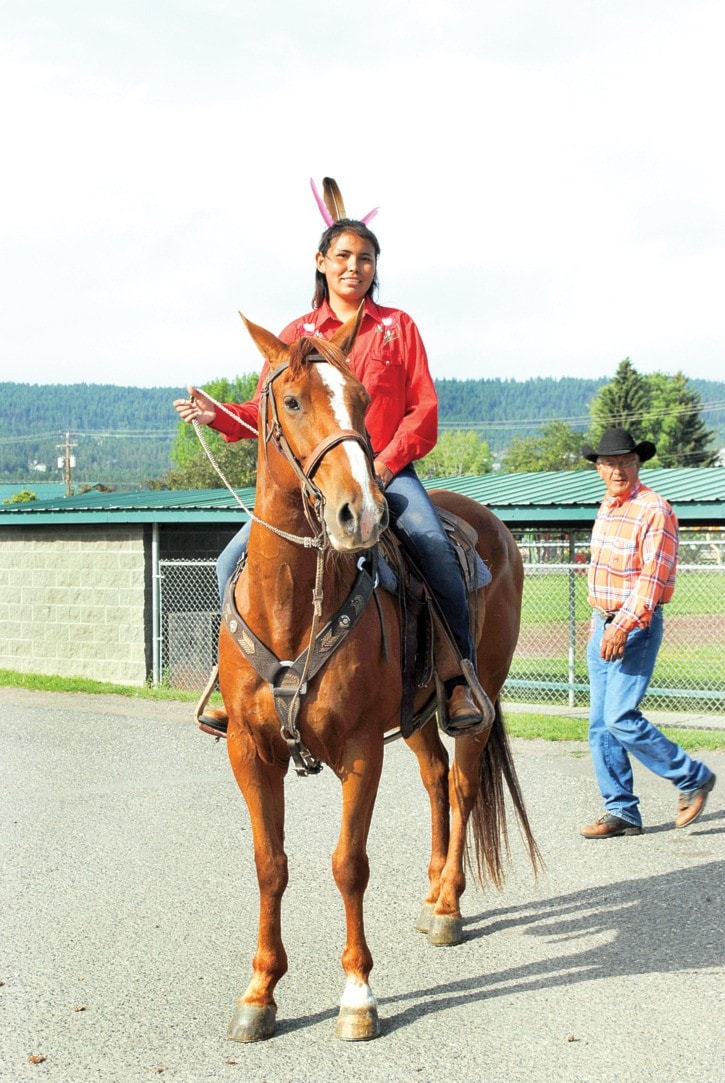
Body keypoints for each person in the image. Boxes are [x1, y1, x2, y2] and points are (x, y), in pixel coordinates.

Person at [174, 188, 491, 737]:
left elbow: (425, 411)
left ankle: (456, 676)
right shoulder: (297, 335)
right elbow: (269, 414)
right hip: (314, 485)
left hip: (386, 474)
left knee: (435, 549)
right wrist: (219, 413)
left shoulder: (398, 328)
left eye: (365, 258)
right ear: (321, 263)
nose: (355, 267)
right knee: (230, 564)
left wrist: (385, 467)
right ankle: (229, 682)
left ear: (375, 268)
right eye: (343, 256)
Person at [579, 426, 715, 838]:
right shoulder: (607, 506)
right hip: (601, 625)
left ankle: (691, 776)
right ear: (599, 468)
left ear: (637, 464)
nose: (617, 470)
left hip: (632, 625)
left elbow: (651, 580)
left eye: (625, 462)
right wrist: (599, 625)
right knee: (600, 725)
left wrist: (619, 626)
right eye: (610, 463)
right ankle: (621, 811)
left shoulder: (655, 509)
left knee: (619, 717)